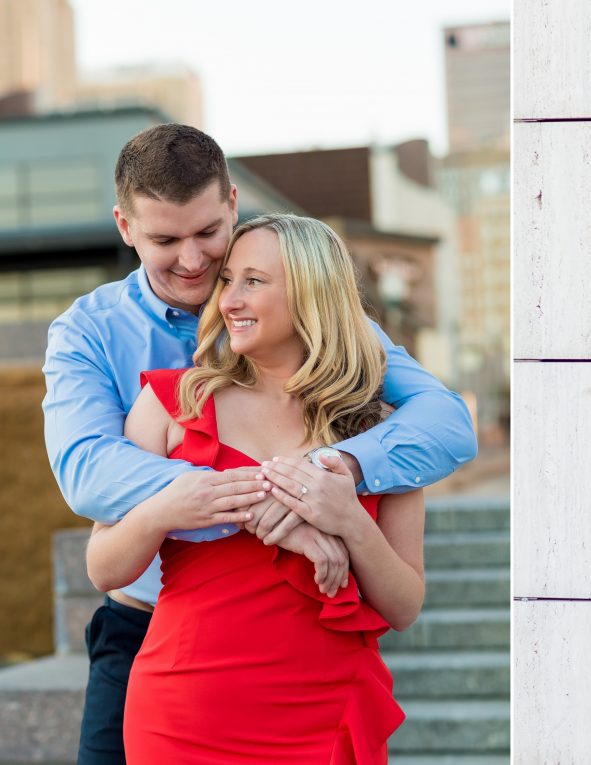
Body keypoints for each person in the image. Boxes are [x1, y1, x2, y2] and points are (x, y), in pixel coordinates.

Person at [42, 124, 476, 764]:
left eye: (207, 234)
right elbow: (89, 476)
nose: (193, 261)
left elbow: (444, 421)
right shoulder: (89, 334)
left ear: (233, 205)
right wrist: (277, 508)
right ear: (125, 227)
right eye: (165, 240)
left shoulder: (330, 324)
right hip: (153, 631)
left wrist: (332, 474)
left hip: (305, 654)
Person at [83, 213, 421, 762]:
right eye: (227, 281)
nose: (228, 300)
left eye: (253, 282)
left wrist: (350, 522)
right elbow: (104, 567)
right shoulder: (173, 403)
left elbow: (405, 606)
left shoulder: (385, 431)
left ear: (313, 294)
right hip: (183, 714)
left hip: (327, 711)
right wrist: (168, 507)